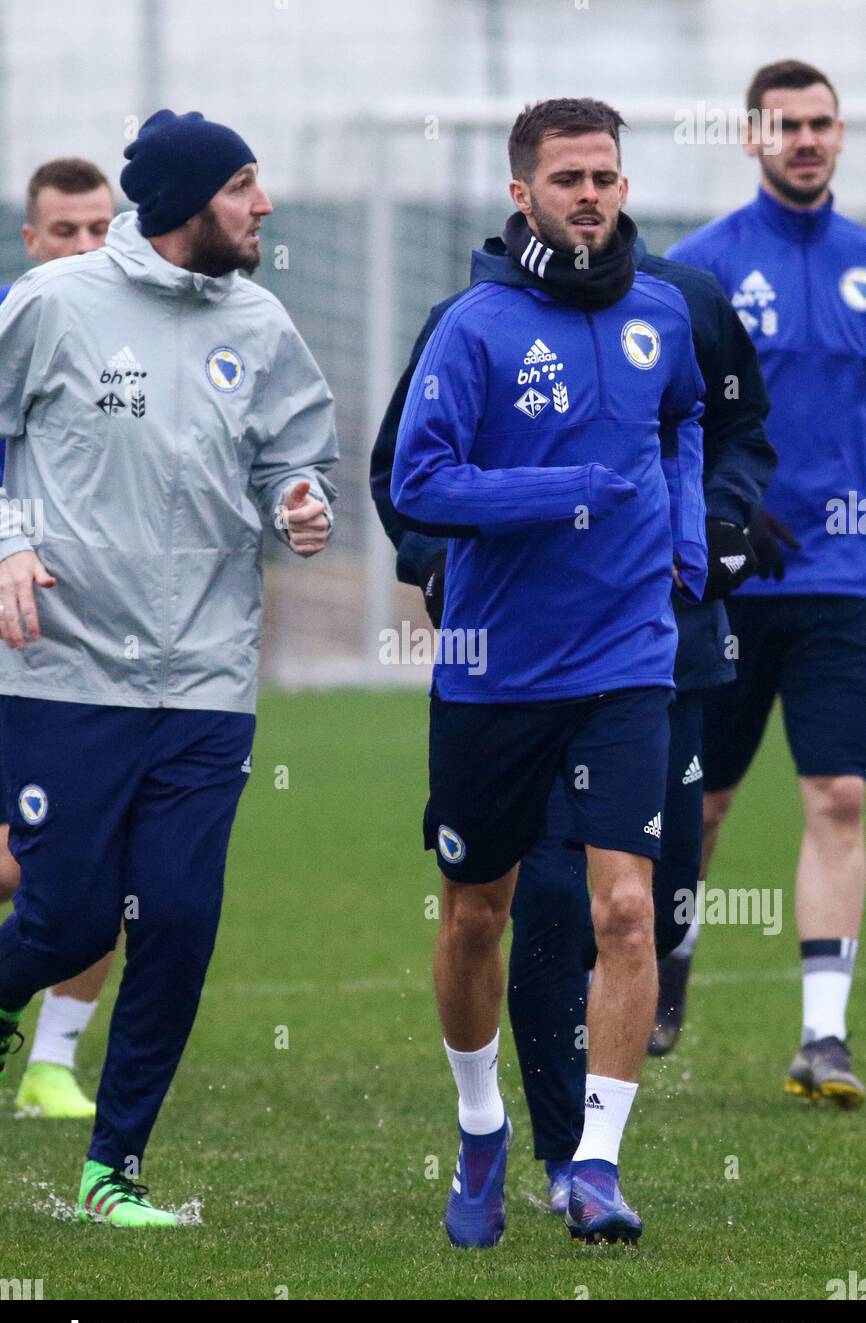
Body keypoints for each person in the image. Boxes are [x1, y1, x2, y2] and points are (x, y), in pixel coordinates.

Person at [371, 144, 775, 1213]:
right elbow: (415, 481)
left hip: (628, 659)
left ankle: (594, 1164)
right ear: (522, 195)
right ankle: (479, 1125)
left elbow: (690, 416)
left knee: (628, 910)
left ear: (623, 186)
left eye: (603, 176)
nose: (587, 194)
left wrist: (687, 534)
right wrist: (558, 493)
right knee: (474, 916)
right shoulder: (472, 325)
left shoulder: (663, 311)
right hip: (494, 673)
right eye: (564, 180)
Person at [0, 109, 337, 1227]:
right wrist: (8, 540)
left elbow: (296, 455)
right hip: (65, 672)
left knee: (180, 920)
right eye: (247, 186)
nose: (265, 206)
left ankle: (114, 1169)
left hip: (204, 680)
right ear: (195, 202)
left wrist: (299, 501)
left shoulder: (262, 319)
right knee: (65, 924)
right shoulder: (53, 304)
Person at [667, 59, 866, 1107]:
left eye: (820, 123)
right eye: (784, 124)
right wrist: (723, 507)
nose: (804, 138)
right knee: (699, 806)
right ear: (750, 137)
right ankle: (667, 961)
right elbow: (667, 413)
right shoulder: (698, 270)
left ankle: (821, 1037)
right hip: (730, 583)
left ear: (838, 136)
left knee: (840, 793)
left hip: (847, 580)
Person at [0, 158, 117, 1120]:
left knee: (108, 854)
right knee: (25, 861)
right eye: (65, 233)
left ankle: (51, 1064)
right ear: (31, 241)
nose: (85, 248)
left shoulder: (149, 336)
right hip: (11, 633)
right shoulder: (21, 326)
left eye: (99, 229)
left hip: (97, 644)